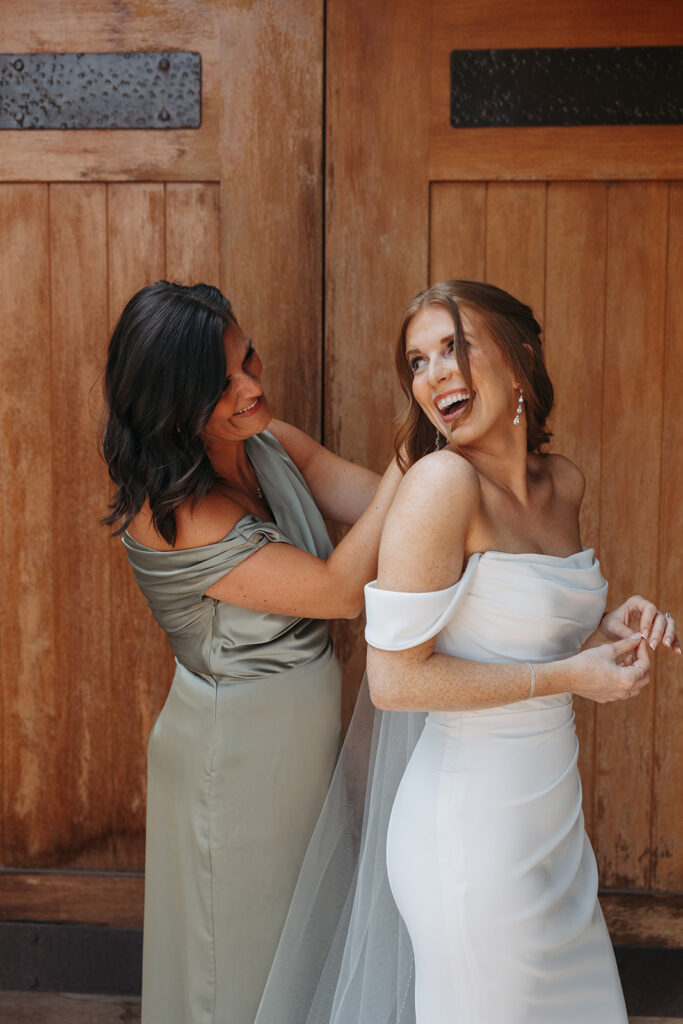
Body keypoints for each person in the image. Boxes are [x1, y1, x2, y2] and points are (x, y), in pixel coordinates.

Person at [251, 279, 679, 1024]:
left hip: (551, 825)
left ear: (519, 361)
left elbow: (508, 626)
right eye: (416, 362)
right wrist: (568, 675)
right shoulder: (441, 484)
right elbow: (393, 681)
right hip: (469, 837)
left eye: (453, 347)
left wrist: (606, 626)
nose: (434, 374)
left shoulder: (561, 482)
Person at [101, 280, 402, 1024]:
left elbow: (377, 509)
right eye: (222, 383)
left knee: (296, 948)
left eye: (249, 359)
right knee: (233, 963)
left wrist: (430, 475)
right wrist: (418, 446)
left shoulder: (266, 444)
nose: (250, 387)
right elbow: (339, 588)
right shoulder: (183, 515)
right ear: (172, 402)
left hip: (296, 752)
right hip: (230, 764)